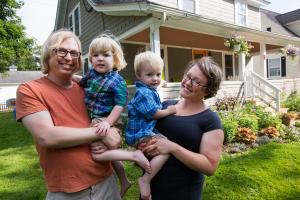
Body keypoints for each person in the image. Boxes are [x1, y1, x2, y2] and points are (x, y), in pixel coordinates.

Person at [15, 30, 123, 200]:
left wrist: (115, 132)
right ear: (47, 54)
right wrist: (103, 133)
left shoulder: (86, 88)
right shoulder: (30, 90)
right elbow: (47, 137)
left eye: (74, 53)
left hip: (106, 182)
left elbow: (108, 117)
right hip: (69, 191)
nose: (68, 57)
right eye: (61, 51)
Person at [73, 34, 151, 197]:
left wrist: (108, 123)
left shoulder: (117, 81)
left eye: (106, 55)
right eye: (95, 55)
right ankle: (124, 181)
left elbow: (119, 105)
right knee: (111, 156)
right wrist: (69, 77)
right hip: (96, 118)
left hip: (108, 118)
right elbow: (82, 82)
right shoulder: (91, 74)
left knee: (97, 154)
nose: (100, 59)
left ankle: (134, 155)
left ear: (115, 59)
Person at [139, 56, 224, 200]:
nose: (187, 83)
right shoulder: (165, 106)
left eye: (196, 81)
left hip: (182, 194)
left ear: (208, 90)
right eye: (188, 76)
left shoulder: (210, 120)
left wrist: (172, 147)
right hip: (150, 192)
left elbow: (210, 166)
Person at [125, 51, 177, 200]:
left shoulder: (149, 89)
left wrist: (162, 83)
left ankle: (144, 163)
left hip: (144, 131)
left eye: (158, 74)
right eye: (150, 75)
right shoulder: (143, 93)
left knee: (161, 147)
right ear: (139, 75)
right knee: (166, 147)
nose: (155, 79)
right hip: (141, 134)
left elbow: (156, 86)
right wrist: (169, 110)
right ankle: (145, 179)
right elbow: (153, 113)